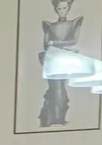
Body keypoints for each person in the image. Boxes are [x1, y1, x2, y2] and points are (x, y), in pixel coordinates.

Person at [38, 0, 84, 128]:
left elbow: (73, 40)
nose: (62, 11)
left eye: (64, 8)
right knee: (55, 88)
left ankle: (58, 117)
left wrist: (55, 43)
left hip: (64, 59)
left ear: (68, 8)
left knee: (60, 88)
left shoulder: (74, 23)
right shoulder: (49, 25)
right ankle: (52, 117)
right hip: (52, 59)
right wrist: (57, 45)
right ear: (56, 10)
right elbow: (46, 43)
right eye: (60, 9)